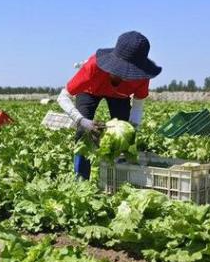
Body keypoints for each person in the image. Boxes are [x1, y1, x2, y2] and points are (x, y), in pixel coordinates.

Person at [57, 31, 162, 180]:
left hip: (120, 96)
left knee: (124, 134)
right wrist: (82, 121)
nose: (123, 76)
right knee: (83, 132)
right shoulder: (92, 67)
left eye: (129, 73)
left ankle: (117, 175)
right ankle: (81, 177)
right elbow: (62, 97)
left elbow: (138, 105)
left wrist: (131, 130)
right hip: (90, 90)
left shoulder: (141, 78)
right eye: (119, 71)